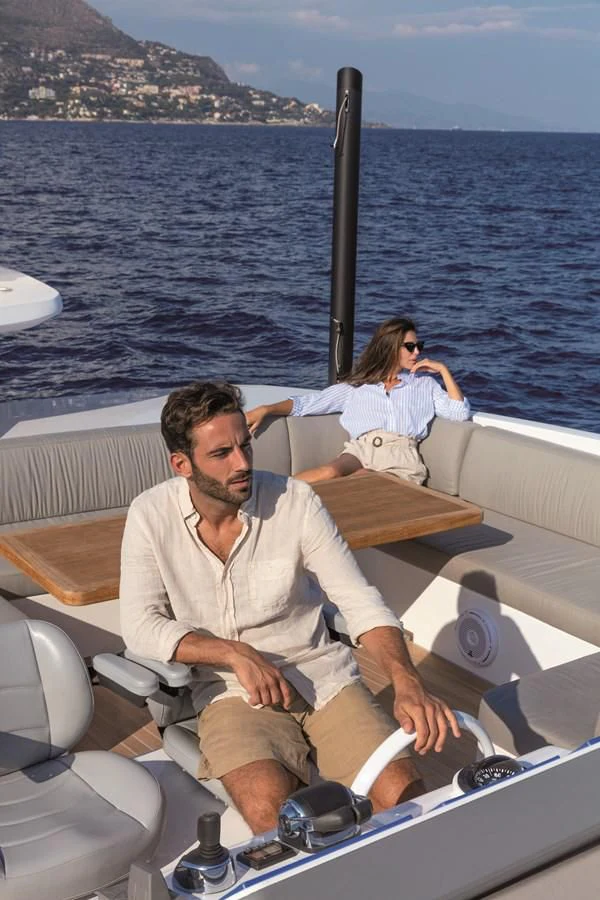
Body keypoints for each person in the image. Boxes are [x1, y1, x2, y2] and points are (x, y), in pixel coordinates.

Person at [120, 380, 460, 835]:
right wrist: (234, 653)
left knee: (406, 805)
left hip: (323, 678)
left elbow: (358, 599)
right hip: (231, 693)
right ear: (181, 464)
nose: (242, 463)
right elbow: (140, 626)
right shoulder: (149, 515)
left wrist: (405, 680)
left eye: (246, 445)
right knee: (274, 819)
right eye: (222, 454)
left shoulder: (296, 501)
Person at [246, 317, 470, 484]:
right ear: (391, 348)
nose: (417, 352)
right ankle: (264, 496)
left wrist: (443, 370)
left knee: (361, 480)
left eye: (418, 346)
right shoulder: (357, 388)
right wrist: (267, 409)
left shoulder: (424, 385)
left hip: (399, 456)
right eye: (410, 347)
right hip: (360, 450)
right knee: (329, 473)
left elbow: (458, 413)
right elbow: (308, 404)